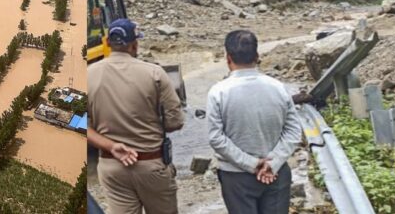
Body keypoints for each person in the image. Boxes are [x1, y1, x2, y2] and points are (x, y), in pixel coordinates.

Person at [87, 18, 184, 214]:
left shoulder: (87, 75)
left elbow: (72, 120)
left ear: (107, 43)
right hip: (151, 165)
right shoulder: (155, 74)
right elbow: (175, 122)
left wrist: (111, 146)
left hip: (112, 167)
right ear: (135, 44)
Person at [206, 30, 301, 214]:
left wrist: (252, 163)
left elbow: (216, 138)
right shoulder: (278, 88)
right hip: (276, 173)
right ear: (257, 56)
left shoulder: (218, 92)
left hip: (236, 177)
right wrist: (273, 162)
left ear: (228, 58)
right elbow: (293, 131)